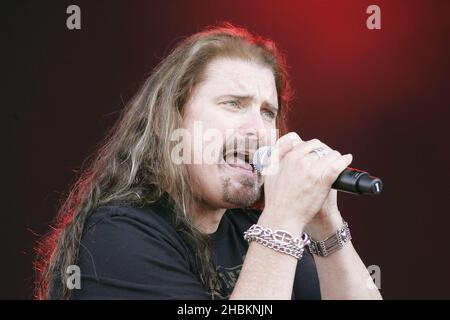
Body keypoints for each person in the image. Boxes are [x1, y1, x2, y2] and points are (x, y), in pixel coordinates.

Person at [35, 23, 382, 300]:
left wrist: (325, 222)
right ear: (168, 121)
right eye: (233, 103)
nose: (258, 130)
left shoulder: (252, 231)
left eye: (267, 112)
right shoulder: (116, 235)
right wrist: (284, 218)